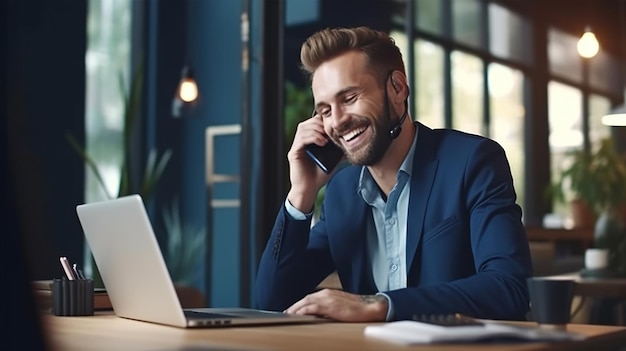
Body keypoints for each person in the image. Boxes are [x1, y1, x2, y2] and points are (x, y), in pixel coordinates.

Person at [255, 26, 532, 322]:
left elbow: (509, 288)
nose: (336, 121)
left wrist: (380, 305)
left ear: (397, 89)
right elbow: (272, 300)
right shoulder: (341, 194)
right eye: (324, 110)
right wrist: (301, 193)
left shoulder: (472, 162)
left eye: (349, 98)